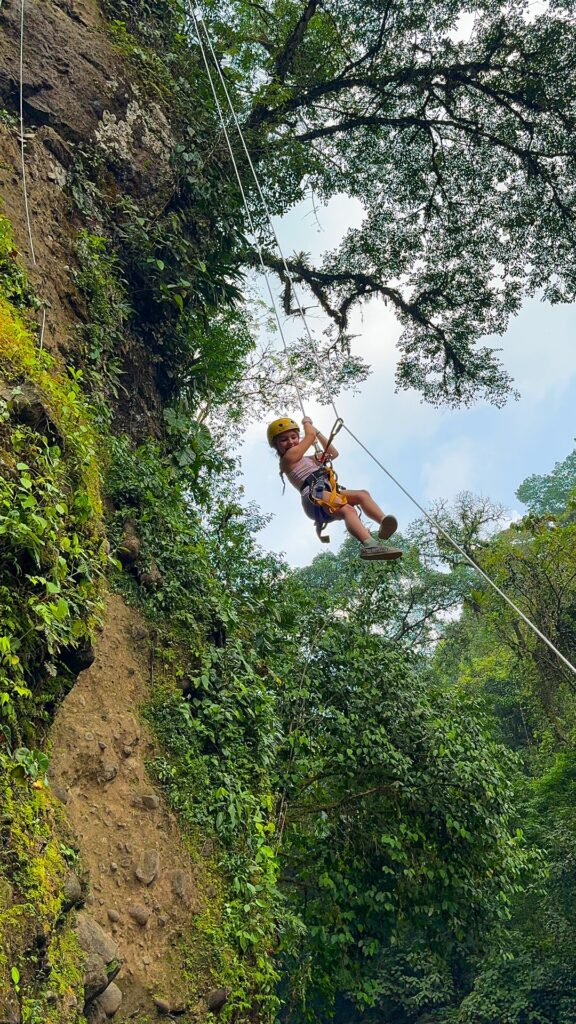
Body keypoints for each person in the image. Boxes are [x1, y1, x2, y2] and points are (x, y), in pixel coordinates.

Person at [267, 416, 403, 560]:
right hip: (314, 496)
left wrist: (317, 432)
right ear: (276, 445)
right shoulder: (288, 458)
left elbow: (333, 453)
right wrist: (307, 424)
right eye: (284, 440)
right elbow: (310, 436)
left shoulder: (307, 459)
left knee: (362, 495)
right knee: (348, 510)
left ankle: (383, 523)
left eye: (294, 437)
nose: (290, 442)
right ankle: (370, 545)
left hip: (325, 492)